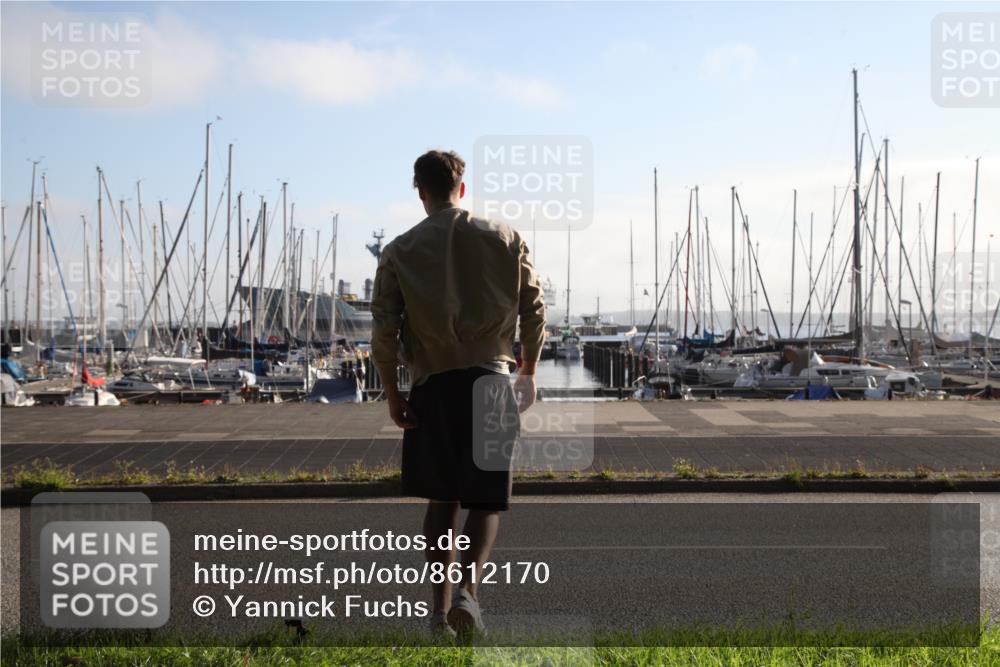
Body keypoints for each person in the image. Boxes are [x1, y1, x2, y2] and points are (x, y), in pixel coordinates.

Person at [371, 149, 546, 638]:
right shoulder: (505, 238)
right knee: (487, 500)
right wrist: (527, 370)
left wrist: (392, 390)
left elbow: (385, 328)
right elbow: (534, 309)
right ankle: (470, 593)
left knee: (441, 500)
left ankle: (437, 613)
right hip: (491, 377)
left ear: (420, 191)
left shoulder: (401, 250)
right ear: (461, 189)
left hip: (432, 383)